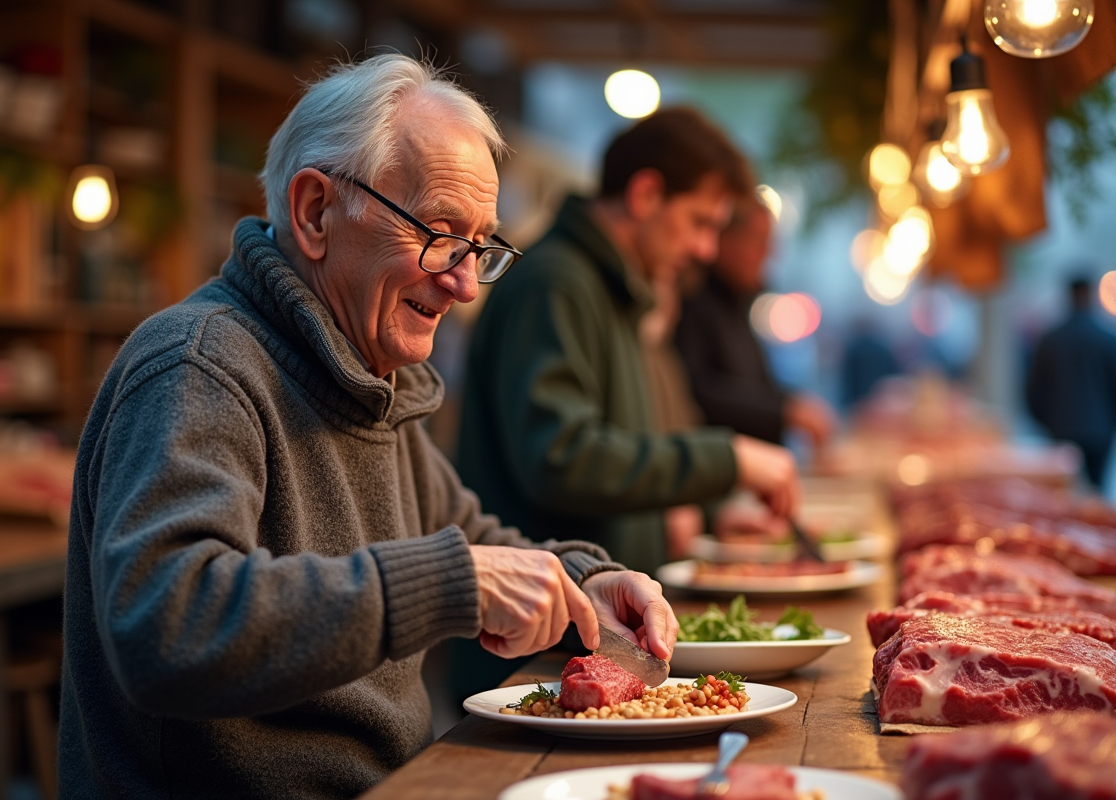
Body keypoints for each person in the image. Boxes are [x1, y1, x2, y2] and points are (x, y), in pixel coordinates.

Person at [58, 55, 679, 800]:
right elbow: (167, 625)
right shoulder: (199, 364)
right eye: (440, 233)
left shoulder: (371, 375)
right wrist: (453, 582)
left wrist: (589, 578)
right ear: (317, 211)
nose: (460, 283)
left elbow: (466, 533)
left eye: (477, 248)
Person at [456, 108, 801, 577]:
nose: (706, 250)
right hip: (537, 638)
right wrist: (727, 460)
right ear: (646, 195)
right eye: (699, 222)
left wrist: (712, 507)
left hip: (598, 619)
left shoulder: (614, 286)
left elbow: (631, 447)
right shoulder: (556, 283)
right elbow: (560, 459)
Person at [674, 197, 836, 447]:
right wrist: (785, 410)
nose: (769, 253)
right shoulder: (691, 300)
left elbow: (760, 385)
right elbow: (692, 390)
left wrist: (795, 404)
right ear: (724, 239)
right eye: (759, 240)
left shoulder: (738, 304)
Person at [1025, 274, 1116, 489]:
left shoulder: (1050, 339)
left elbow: (1033, 390)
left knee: (1061, 497)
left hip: (1060, 429)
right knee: (1094, 494)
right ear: (1090, 295)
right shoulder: (1107, 338)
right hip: (1098, 431)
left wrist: (1048, 423)